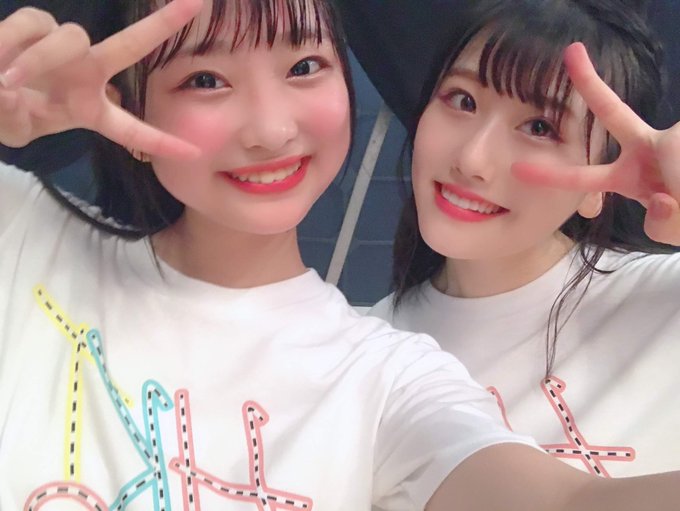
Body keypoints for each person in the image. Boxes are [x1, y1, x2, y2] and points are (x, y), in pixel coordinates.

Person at [1, 1, 679, 510]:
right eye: (205, 79)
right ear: (130, 112)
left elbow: (569, 500)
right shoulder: (26, 233)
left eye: (304, 67)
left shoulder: (387, 373)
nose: (271, 130)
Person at [368, 0, 680, 478]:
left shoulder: (664, 306)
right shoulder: (364, 352)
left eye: (540, 128)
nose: (473, 159)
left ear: (599, 185)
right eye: (462, 100)